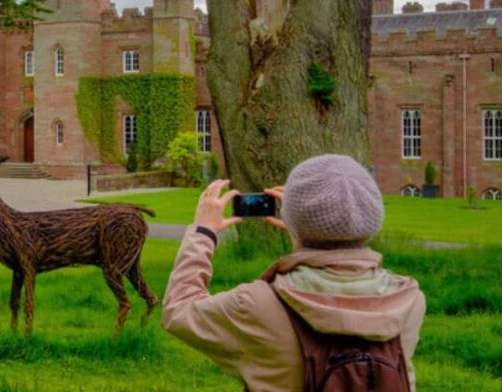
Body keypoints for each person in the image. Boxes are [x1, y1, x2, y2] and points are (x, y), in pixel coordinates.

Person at [161, 154, 426, 391]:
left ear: (295, 220)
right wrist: (304, 229)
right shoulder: (408, 301)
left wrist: (203, 233)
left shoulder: (259, 305)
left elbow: (179, 309)